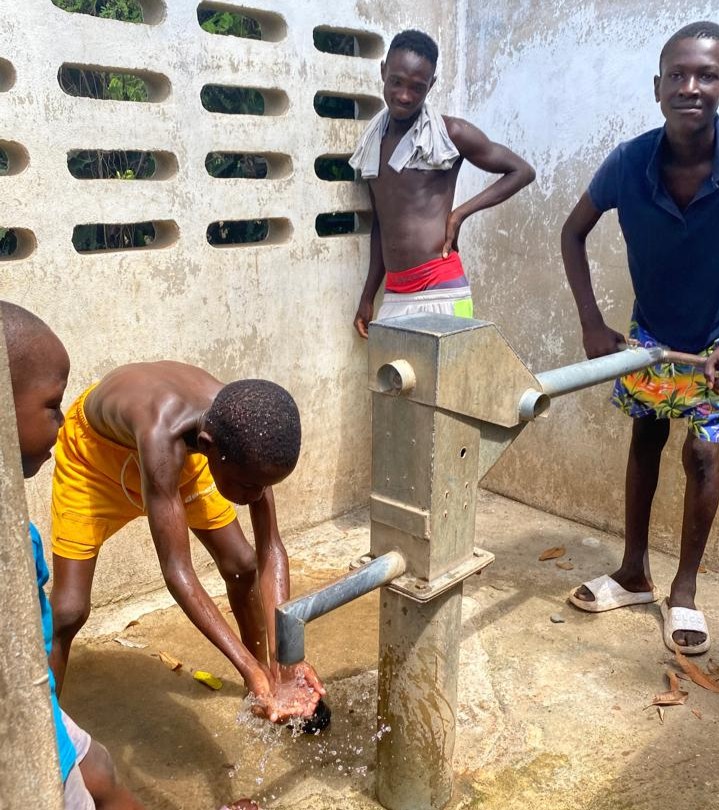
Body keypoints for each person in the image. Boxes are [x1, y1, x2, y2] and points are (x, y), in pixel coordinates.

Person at [560, 22, 719, 653]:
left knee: (701, 454)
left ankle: (685, 591)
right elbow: (572, 232)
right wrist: (592, 321)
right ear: (657, 85)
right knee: (645, 437)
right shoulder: (628, 161)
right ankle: (633, 571)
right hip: (650, 337)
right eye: (678, 75)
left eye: (706, 76)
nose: (690, 87)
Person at [48, 360, 326, 724]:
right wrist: (245, 668)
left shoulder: (247, 430)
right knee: (68, 610)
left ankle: (269, 680)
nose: (256, 495)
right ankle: (45, 730)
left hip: (181, 456)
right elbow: (178, 572)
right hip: (96, 461)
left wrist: (286, 659)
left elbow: (270, 548)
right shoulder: (167, 434)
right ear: (209, 448)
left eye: (265, 485)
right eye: (247, 486)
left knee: (242, 565)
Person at [2, 300, 145, 808]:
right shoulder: (11, 547)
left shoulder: (17, 529)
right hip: (16, 724)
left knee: (99, 767)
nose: (62, 423)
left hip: (36, 702)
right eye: (52, 404)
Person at [351, 29, 535, 335]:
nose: (404, 95)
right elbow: (381, 225)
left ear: (431, 85)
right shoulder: (373, 145)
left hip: (442, 286)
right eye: (396, 81)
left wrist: (459, 214)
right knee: (395, 382)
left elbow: (521, 171)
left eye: (417, 87)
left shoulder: (450, 133)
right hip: (396, 291)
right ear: (383, 71)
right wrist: (368, 296)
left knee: (446, 383)